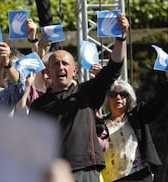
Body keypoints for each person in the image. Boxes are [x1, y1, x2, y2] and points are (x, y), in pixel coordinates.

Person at [30, 14, 129, 182]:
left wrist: (121, 37)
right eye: (56, 63)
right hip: (57, 174)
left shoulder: (87, 92)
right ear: (48, 72)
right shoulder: (39, 105)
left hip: (86, 169)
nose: (61, 67)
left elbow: (113, 68)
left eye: (65, 63)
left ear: (74, 71)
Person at [100, 75, 168, 182]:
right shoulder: (100, 125)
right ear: (107, 99)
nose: (118, 98)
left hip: (139, 175)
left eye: (123, 94)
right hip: (113, 179)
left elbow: (157, 103)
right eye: (113, 94)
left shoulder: (137, 116)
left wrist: (166, 80)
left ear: (129, 98)